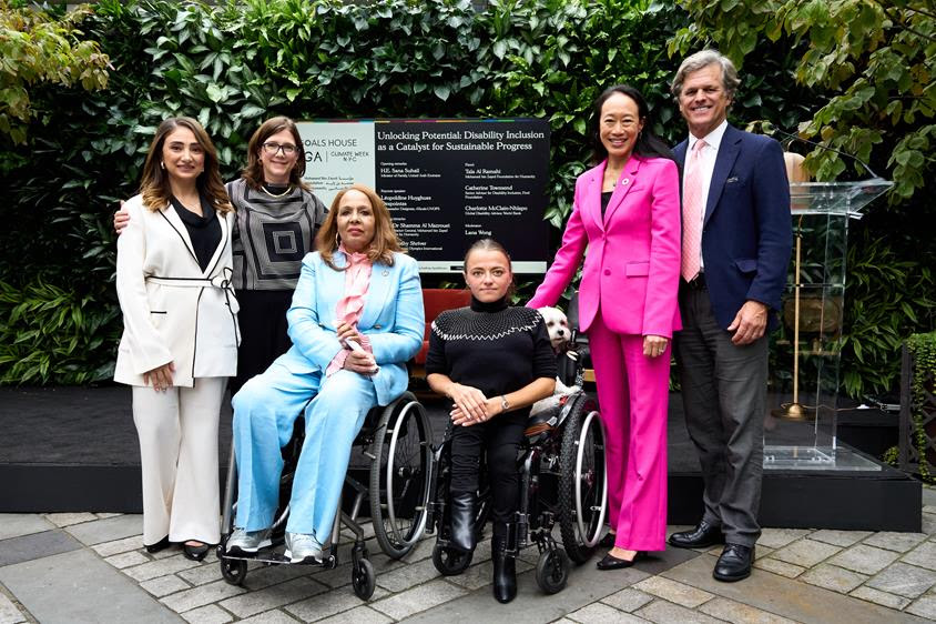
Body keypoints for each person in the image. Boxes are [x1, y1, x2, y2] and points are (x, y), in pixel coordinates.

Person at [226, 184, 424, 563]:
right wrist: (336, 353)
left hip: (367, 367)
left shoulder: (403, 268)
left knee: (333, 403)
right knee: (251, 399)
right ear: (334, 221)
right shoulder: (316, 263)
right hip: (309, 359)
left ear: (377, 220)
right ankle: (252, 522)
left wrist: (365, 347)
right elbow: (298, 319)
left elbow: (411, 337)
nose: (354, 218)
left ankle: (305, 531)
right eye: (346, 212)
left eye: (363, 212)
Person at [527, 85, 681, 570]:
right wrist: (530, 311)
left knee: (647, 426)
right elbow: (569, 252)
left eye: (627, 120)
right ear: (598, 125)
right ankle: (618, 520)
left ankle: (639, 534)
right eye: (609, 120)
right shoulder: (587, 181)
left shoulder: (659, 172)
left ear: (640, 126)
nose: (617, 129)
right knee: (614, 424)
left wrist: (659, 320)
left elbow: (667, 249)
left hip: (644, 321)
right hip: (597, 315)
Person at [666, 50, 792, 582]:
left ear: (728, 95)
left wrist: (760, 300)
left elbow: (776, 233)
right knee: (703, 424)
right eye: (689, 91)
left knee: (742, 425)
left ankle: (741, 537)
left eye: (708, 90)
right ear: (679, 100)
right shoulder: (671, 158)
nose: (698, 98)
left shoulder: (758, 151)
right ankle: (713, 517)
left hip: (738, 307)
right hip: (685, 304)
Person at [115, 116, 328, 393]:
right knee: (248, 393)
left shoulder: (310, 201)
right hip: (248, 307)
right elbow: (184, 219)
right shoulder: (229, 196)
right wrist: (128, 219)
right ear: (258, 152)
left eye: (288, 147)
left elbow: (330, 246)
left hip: (296, 308)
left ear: (298, 155)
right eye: (271, 145)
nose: (279, 153)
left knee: (296, 391)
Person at [114, 117, 239, 561]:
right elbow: (128, 284)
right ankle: (159, 526)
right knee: (159, 433)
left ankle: (197, 528)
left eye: (196, 148)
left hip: (214, 334)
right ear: (161, 157)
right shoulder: (137, 210)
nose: (187, 156)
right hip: (157, 337)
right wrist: (150, 349)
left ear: (206, 157)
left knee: (202, 435)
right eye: (177, 148)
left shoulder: (224, 207)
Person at [426, 238, 556, 603]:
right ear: (466, 277)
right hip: (467, 411)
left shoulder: (529, 320)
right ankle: (463, 533)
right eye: (478, 272)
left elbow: (546, 380)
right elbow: (434, 374)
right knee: (461, 458)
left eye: (497, 272)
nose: (488, 279)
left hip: (510, 412)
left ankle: (504, 558)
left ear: (510, 277)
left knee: (503, 462)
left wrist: (499, 404)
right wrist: (457, 391)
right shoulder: (448, 322)